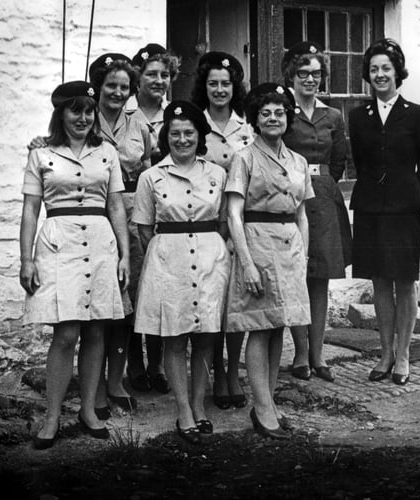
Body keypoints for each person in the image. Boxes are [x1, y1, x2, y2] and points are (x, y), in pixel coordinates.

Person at [21, 81, 129, 449]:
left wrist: (125, 254)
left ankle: (87, 410)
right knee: (66, 333)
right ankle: (51, 416)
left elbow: (115, 205)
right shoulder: (41, 153)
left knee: (96, 330)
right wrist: (26, 259)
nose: (83, 118)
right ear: (61, 114)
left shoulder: (107, 153)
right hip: (58, 242)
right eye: (75, 110)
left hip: (100, 242)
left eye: (88, 111)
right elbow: (31, 210)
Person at [133, 101, 230, 444]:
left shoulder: (217, 174)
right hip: (168, 261)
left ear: (199, 135)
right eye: (175, 133)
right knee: (173, 336)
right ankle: (183, 409)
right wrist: (165, 257)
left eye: (189, 132)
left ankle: (199, 405)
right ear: (166, 137)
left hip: (209, 259)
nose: (182, 139)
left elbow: (224, 221)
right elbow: (145, 229)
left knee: (205, 334)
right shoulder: (151, 177)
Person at [224, 83, 314, 439]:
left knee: (279, 325)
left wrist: (303, 257)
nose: (273, 118)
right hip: (257, 245)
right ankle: (262, 409)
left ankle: (268, 403)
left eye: (279, 112)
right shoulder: (244, 158)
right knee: (260, 326)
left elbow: (302, 214)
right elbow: (233, 213)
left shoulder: (298, 161)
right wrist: (246, 263)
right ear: (255, 120)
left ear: (288, 118)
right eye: (265, 113)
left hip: (289, 246)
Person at [348, 38, 420, 385]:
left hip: (403, 210)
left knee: (404, 281)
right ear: (367, 76)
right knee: (379, 280)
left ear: (398, 72)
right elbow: (360, 161)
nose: (380, 75)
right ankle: (384, 353)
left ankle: (404, 354)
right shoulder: (357, 115)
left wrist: (412, 195)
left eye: (386, 68)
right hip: (369, 208)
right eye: (374, 70)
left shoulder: (417, 114)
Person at [87, 52, 155, 416]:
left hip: (129, 214)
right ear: (98, 85)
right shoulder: (84, 116)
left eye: (123, 86)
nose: (116, 92)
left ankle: (116, 381)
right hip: (94, 212)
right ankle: (93, 384)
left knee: (126, 302)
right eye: (110, 85)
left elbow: (146, 170)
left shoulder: (138, 121)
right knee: (96, 301)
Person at [281, 41, 352, 383]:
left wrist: (323, 184)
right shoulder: (283, 110)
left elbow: (338, 161)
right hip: (291, 197)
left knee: (319, 279)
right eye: (303, 73)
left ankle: (318, 353)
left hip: (322, 198)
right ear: (291, 76)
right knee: (297, 276)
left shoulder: (333, 116)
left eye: (316, 73)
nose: (310, 79)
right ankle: (298, 351)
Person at [191, 51, 254, 410]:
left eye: (225, 84)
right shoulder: (194, 123)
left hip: (240, 223)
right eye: (213, 83)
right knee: (212, 304)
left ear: (235, 87)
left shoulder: (246, 126)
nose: (219, 89)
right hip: (205, 225)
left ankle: (233, 373)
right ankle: (215, 372)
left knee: (237, 303)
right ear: (205, 86)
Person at [126, 42, 180, 395]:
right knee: (131, 288)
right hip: (127, 205)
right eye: (151, 75)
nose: (158, 81)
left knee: (162, 286)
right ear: (138, 78)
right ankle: (133, 364)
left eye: (165, 75)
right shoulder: (124, 112)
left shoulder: (174, 114)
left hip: (164, 207)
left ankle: (158, 364)